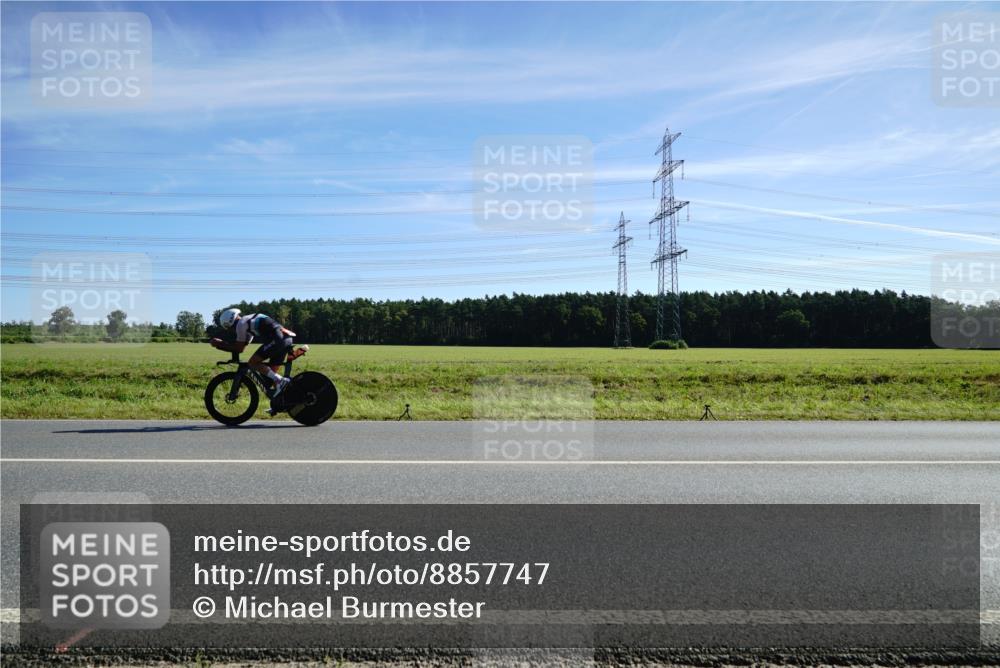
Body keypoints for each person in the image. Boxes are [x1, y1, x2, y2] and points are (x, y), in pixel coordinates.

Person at [211, 308, 295, 395]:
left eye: (229, 328)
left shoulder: (241, 324)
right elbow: (242, 347)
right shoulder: (248, 322)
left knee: (253, 363)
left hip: (278, 339)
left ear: (229, 323)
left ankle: (281, 380)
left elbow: (239, 348)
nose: (231, 330)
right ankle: (281, 401)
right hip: (285, 338)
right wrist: (223, 345)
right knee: (271, 375)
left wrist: (220, 344)